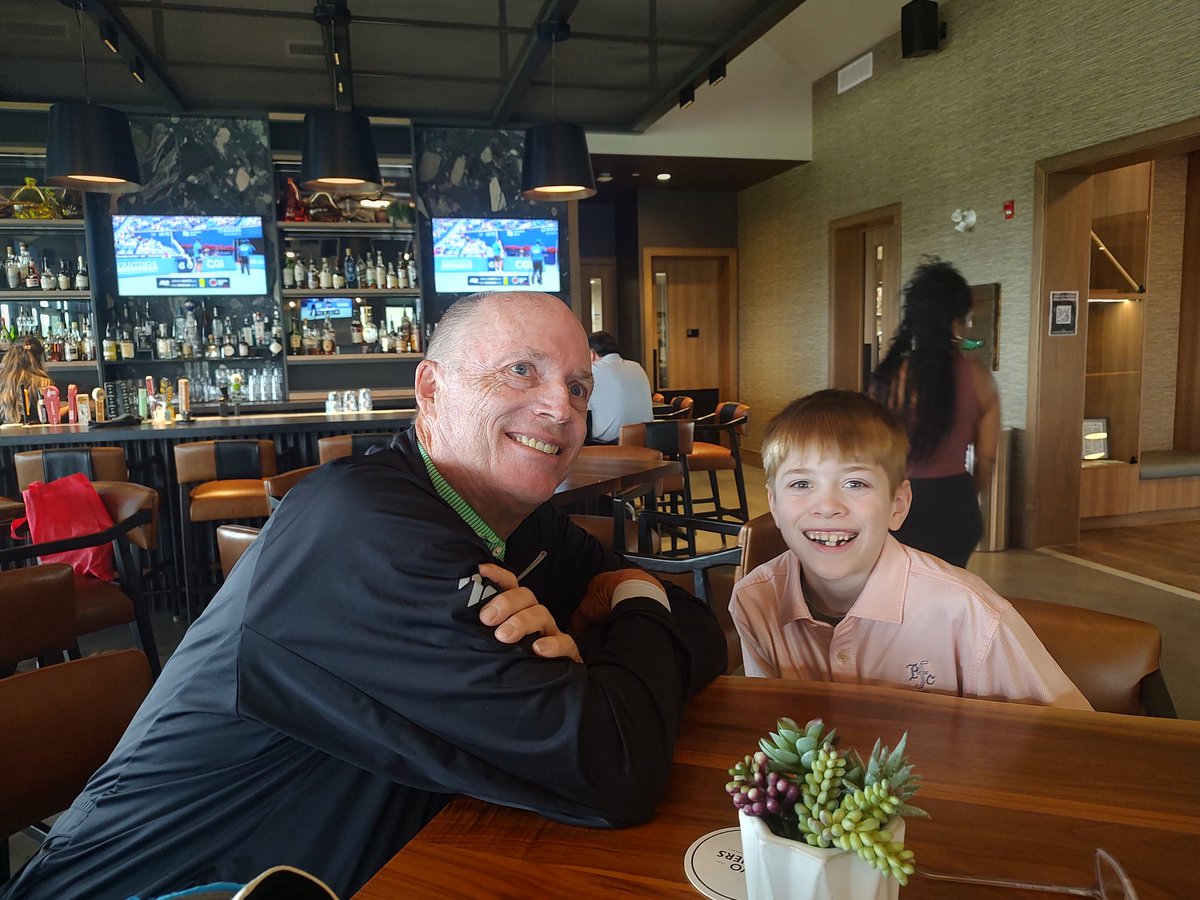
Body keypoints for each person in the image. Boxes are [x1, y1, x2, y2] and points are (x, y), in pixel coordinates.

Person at [1, 292, 726, 900]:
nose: (560, 409)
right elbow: (617, 765)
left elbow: (699, 633)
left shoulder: (522, 526)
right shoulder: (364, 532)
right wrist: (620, 631)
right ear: (431, 388)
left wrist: (626, 602)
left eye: (577, 387)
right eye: (520, 372)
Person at [729, 389, 1090, 710]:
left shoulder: (965, 612)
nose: (827, 506)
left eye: (855, 483)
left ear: (897, 505)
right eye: (802, 483)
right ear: (774, 505)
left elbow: (1073, 736)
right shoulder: (755, 599)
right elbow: (775, 732)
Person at [869, 257, 1000, 568]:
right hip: (955, 505)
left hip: (898, 505)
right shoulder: (979, 377)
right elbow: (988, 459)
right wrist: (966, 494)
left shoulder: (888, 379)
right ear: (956, 320)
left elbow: (868, 452)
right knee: (949, 597)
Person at [586, 331, 654, 443]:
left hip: (609, 446)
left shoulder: (594, 370)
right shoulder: (637, 367)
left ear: (592, 354)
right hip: (647, 443)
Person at [0, 335, 54, 424]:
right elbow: (50, 415)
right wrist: (70, 407)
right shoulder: (43, 383)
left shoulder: (2, 381)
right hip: (35, 435)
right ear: (39, 358)